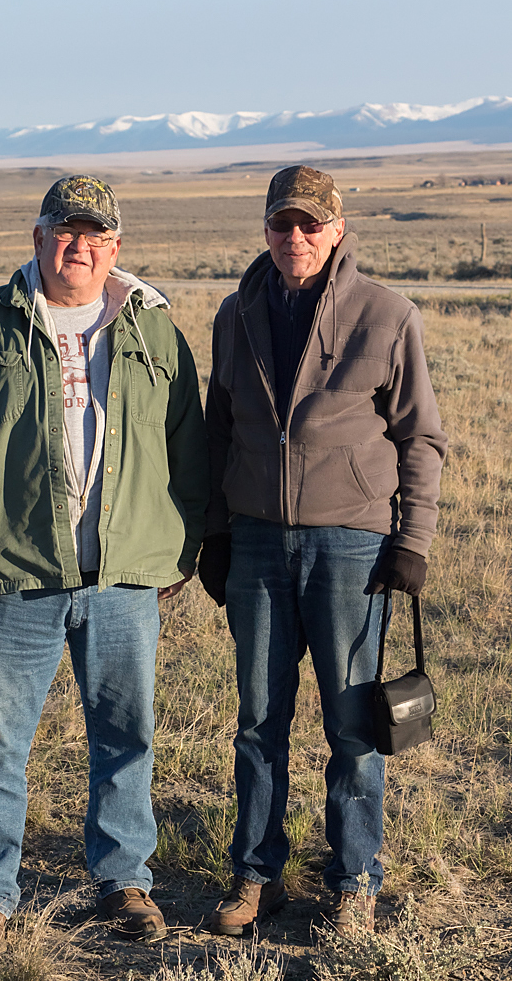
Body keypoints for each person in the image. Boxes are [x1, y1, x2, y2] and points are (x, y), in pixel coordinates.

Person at [0, 175, 209, 953]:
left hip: (122, 577)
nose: (79, 246)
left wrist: (179, 547)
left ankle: (124, 882)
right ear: (36, 239)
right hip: (12, 573)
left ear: (116, 248)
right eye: (64, 232)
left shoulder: (153, 331)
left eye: (94, 236)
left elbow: (189, 449)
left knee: (125, 735)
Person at [199, 165, 447, 936]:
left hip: (350, 547)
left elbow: (419, 437)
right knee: (257, 721)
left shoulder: (385, 314)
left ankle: (353, 882)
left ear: (338, 230)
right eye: (281, 224)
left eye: (310, 224)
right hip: (258, 543)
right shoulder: (234, 315)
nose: (294, 237)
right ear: (264, 229)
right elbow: (217, 432)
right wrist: (214, 532)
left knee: (350, 725)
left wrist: (412, 539)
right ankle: (256, 877)